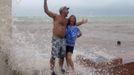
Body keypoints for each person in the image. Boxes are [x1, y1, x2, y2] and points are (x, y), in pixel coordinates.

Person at [44, 0, 69, 75]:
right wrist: (45, 1)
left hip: (63, 40)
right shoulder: (56, 16)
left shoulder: (67, 20)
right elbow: (46, 11)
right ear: (62, 11)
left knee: (62, 56)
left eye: (68, 10)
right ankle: (52, 70)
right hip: (56, 39)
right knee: (53, 55)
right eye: (66, 9)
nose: (68, 11)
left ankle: (61, 69)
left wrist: (82, 22)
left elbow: (74, 24)